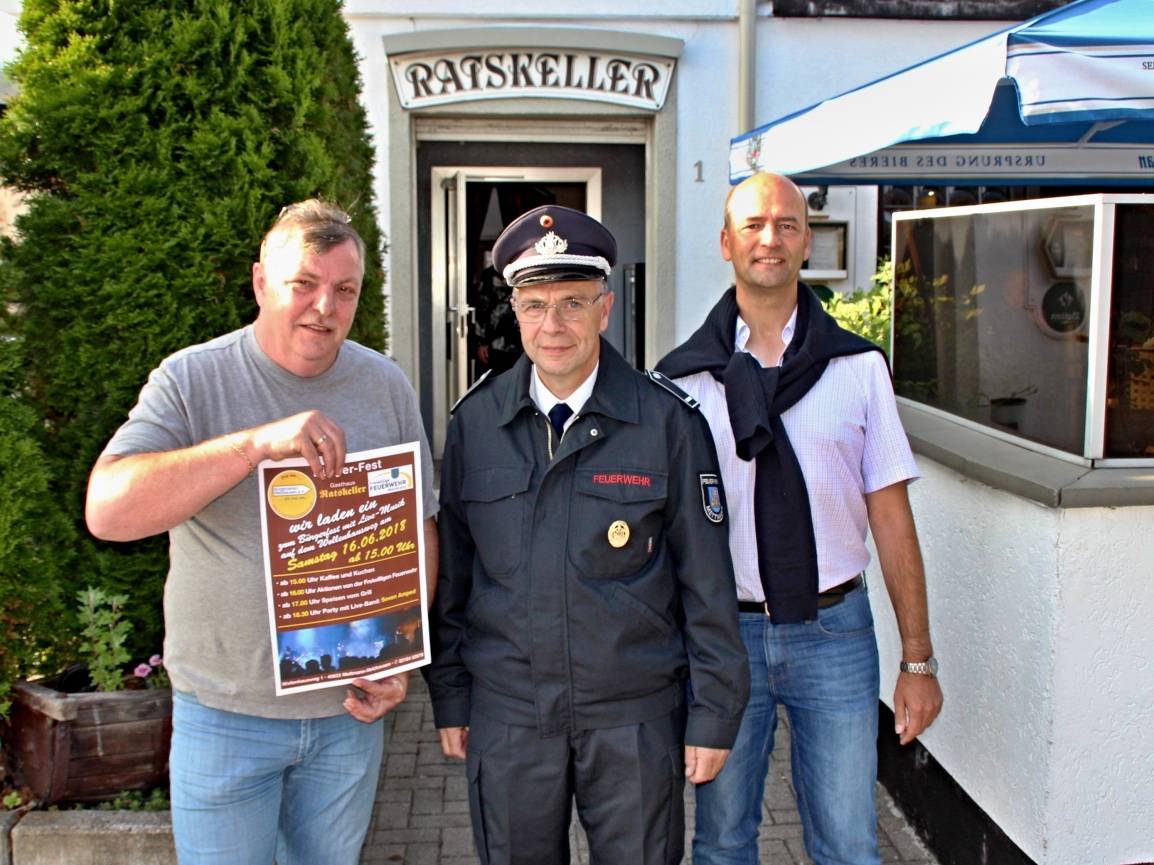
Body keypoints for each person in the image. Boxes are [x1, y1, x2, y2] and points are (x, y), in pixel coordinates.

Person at [85, 200, 439, 865]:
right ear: (259, 283)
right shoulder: (192, 378)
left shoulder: (385, 385)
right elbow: (107, 509)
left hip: (344, 719)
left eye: (344, 290)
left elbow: (417, 527)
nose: (323, 308)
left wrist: (399, 653)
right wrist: (252, 446)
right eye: (302, 284)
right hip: (225, 718)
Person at [426, 204, 750, 865]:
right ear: (514, 310)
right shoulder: (474, 423)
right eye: (536, 303)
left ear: (605, 308)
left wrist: (714, 713)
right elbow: (454, 578)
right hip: (510, 714)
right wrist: (451, 695)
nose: (553, 325)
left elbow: (707, 583)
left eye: (573, 303)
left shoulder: (667, 424)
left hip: (633, 715)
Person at [657, 172, 944, 865]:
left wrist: (918, 659)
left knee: (848, 843)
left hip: (835, 633)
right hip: (724, 637)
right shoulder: (680, 381)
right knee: (722, 842)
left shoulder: (858, 367)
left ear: (806, 241)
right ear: (726, 242)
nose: (770, 238)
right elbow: (664, 532)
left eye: (786, 224)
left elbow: (892, 519)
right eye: (753, 224)